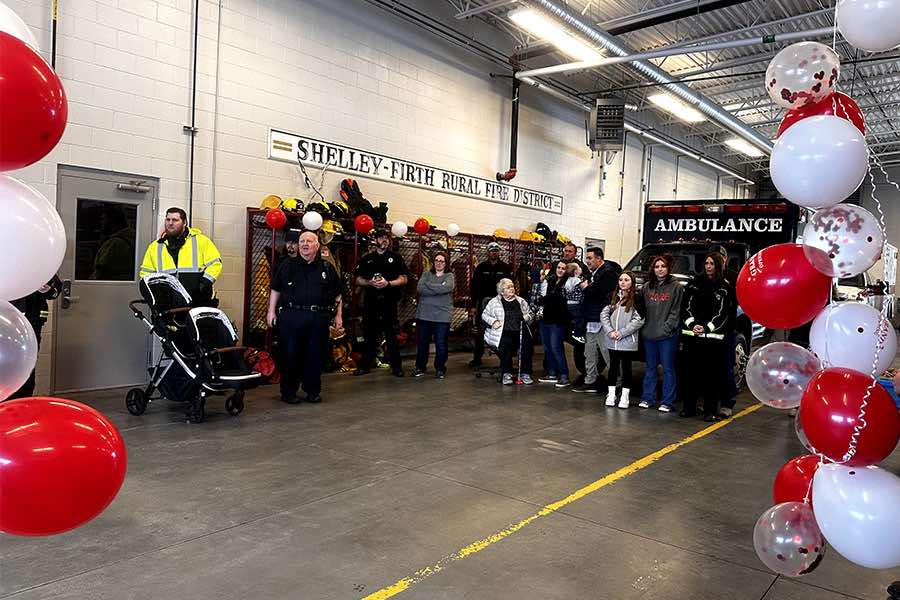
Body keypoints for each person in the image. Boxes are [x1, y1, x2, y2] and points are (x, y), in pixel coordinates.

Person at [267, 231, 343, 404]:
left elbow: (338, 295)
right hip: (292, 316)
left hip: (318, 318)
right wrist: (270, 312)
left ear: (317, 245)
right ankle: (288, 392)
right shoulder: (287, 265)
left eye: (309, 241)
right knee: (291, 355)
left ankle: (312, 391)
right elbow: (275, 289)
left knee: (315, 356)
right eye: (302, 241)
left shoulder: (327, 268)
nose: (304, 244)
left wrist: (338, 317)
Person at [680, 253, 735, 421]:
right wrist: (692, 325)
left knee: (712, 377)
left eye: (712, 263)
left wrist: (706, 327)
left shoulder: (725, 287)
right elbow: (685, 307)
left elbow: (723, 313)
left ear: (719, 265)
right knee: (690, 374)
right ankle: (688, 408)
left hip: (714, 341)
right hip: (692, 339)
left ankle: (710, 411)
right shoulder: (694, 284)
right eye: (706, 263)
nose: (708, 266)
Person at [354, 228, 408, 377]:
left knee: (391, 336)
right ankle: (365, 365)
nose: (384, 240)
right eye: (381, 238)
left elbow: (404, 278)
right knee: (369, 335)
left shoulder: (396, 258)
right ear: (376, 240)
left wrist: (388, 283)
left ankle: (396, 367)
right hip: (370, 302)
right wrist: (369, 282)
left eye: (386, 238)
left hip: (389, 303)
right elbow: (357, 279)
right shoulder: (367, 258)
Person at [139, 207, 221, 305]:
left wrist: (204, 283)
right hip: (168, 304)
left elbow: (215, 263)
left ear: (184, 222)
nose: (170, 223)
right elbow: (146, 273)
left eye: (175, 220)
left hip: (198, 301)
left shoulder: (201, 241)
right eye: (168, 219)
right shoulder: (155, 247)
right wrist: (153, 292)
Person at [638, 255, 684, 412]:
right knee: (650, 368)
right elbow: (641, 310)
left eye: (663, 266)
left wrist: (666, 329)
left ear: (668, 268)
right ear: (653, 269)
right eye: (657, 266)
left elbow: (676, 312)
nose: (660, 269)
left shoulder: (676, 287)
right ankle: (647, 398)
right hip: (648, 335)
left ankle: (667, 401)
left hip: (667, 336)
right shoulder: (646, 287)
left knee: (668, 368)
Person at [573, 247, 621, 394]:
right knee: (590, 352)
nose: (587, 261)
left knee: (606, 353)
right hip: (591, 318)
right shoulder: (594, 273)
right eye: (587, 258)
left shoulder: (608, 274)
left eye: (590, 258)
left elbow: (598, 295)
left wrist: (586, 288)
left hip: (602, 319)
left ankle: (619, 382)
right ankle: (590, 380)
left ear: (599, 258)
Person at [8, 276, 62, 399]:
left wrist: (47, 290)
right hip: (7, 325)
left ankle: (23, 404)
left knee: (28, 366)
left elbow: (56, 290)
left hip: (33, 324)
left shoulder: (40, 265)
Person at [600, 271, 644, 409]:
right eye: (620, 280)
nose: (623, 282)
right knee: (613, 367)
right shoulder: (612, 297)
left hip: (627, 341)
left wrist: (622, 333)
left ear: (632, 282)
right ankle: (611, 394)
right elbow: (604, 314)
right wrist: (610, 331)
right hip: (612, 340)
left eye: (626, 280)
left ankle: (625, 396)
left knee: (626, 368)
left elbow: (639, 319)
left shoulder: (636, 299)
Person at [482, 278, 534, 385]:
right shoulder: (494, 302)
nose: (512, 289)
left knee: (527, 345)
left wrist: (527, 317)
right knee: (506, 344)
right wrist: (493, 321)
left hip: (520, 330)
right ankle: (506, 373)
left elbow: (530, 314)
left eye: (512, 286)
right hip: (502, 331)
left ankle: (525, 373)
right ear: (501, 291)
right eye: (508, 287)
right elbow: (484, 315)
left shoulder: (520, 301)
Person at [469, 241, 512, 368]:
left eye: (496, 251)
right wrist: (473, 306)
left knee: (500, 331)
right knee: (480, 332)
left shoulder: (505, 268)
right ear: (488, 252)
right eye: (492, 250)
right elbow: (474, 288)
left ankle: (504, 360)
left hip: (500, 305)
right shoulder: (481, 267)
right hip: (483, 305)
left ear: (499, 252)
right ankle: (477, 358)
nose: (494, 253)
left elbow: (510, 286)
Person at [413, 251, 455, 379]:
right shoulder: (426, 274)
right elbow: (420, 288)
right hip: (424, 315)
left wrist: (429, 286)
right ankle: (420, 367)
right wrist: (439, 288)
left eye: (442, 261)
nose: (439, 263)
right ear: (433, 262)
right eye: (437, 260)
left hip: (442, 316)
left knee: (441, 344)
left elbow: (448, 287)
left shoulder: (449, 276)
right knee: (422, 343)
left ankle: (440, 368)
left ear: (446, 263)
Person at [710, 244, 740, 410]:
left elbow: (734, 305)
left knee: (725, 367)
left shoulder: (733, 277)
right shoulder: (704, 278)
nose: (714, 262)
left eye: (720, 258)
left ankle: (727, 403)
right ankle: (708, 402)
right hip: (708, 332)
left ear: (725, 259)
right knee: (707, 368)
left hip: (726, 330)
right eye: (712, 259)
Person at [537, 260, 571, 387]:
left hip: (558, 320)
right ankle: (551, 374)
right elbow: (542, 296)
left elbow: (557, 299)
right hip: (545, 318)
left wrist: (547, 298)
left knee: (556, 347)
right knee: (547, 347)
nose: (560, 270)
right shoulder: (549, 280)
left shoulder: (567, 282)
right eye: (559, 267)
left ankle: (564, 375)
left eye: (563, 268)